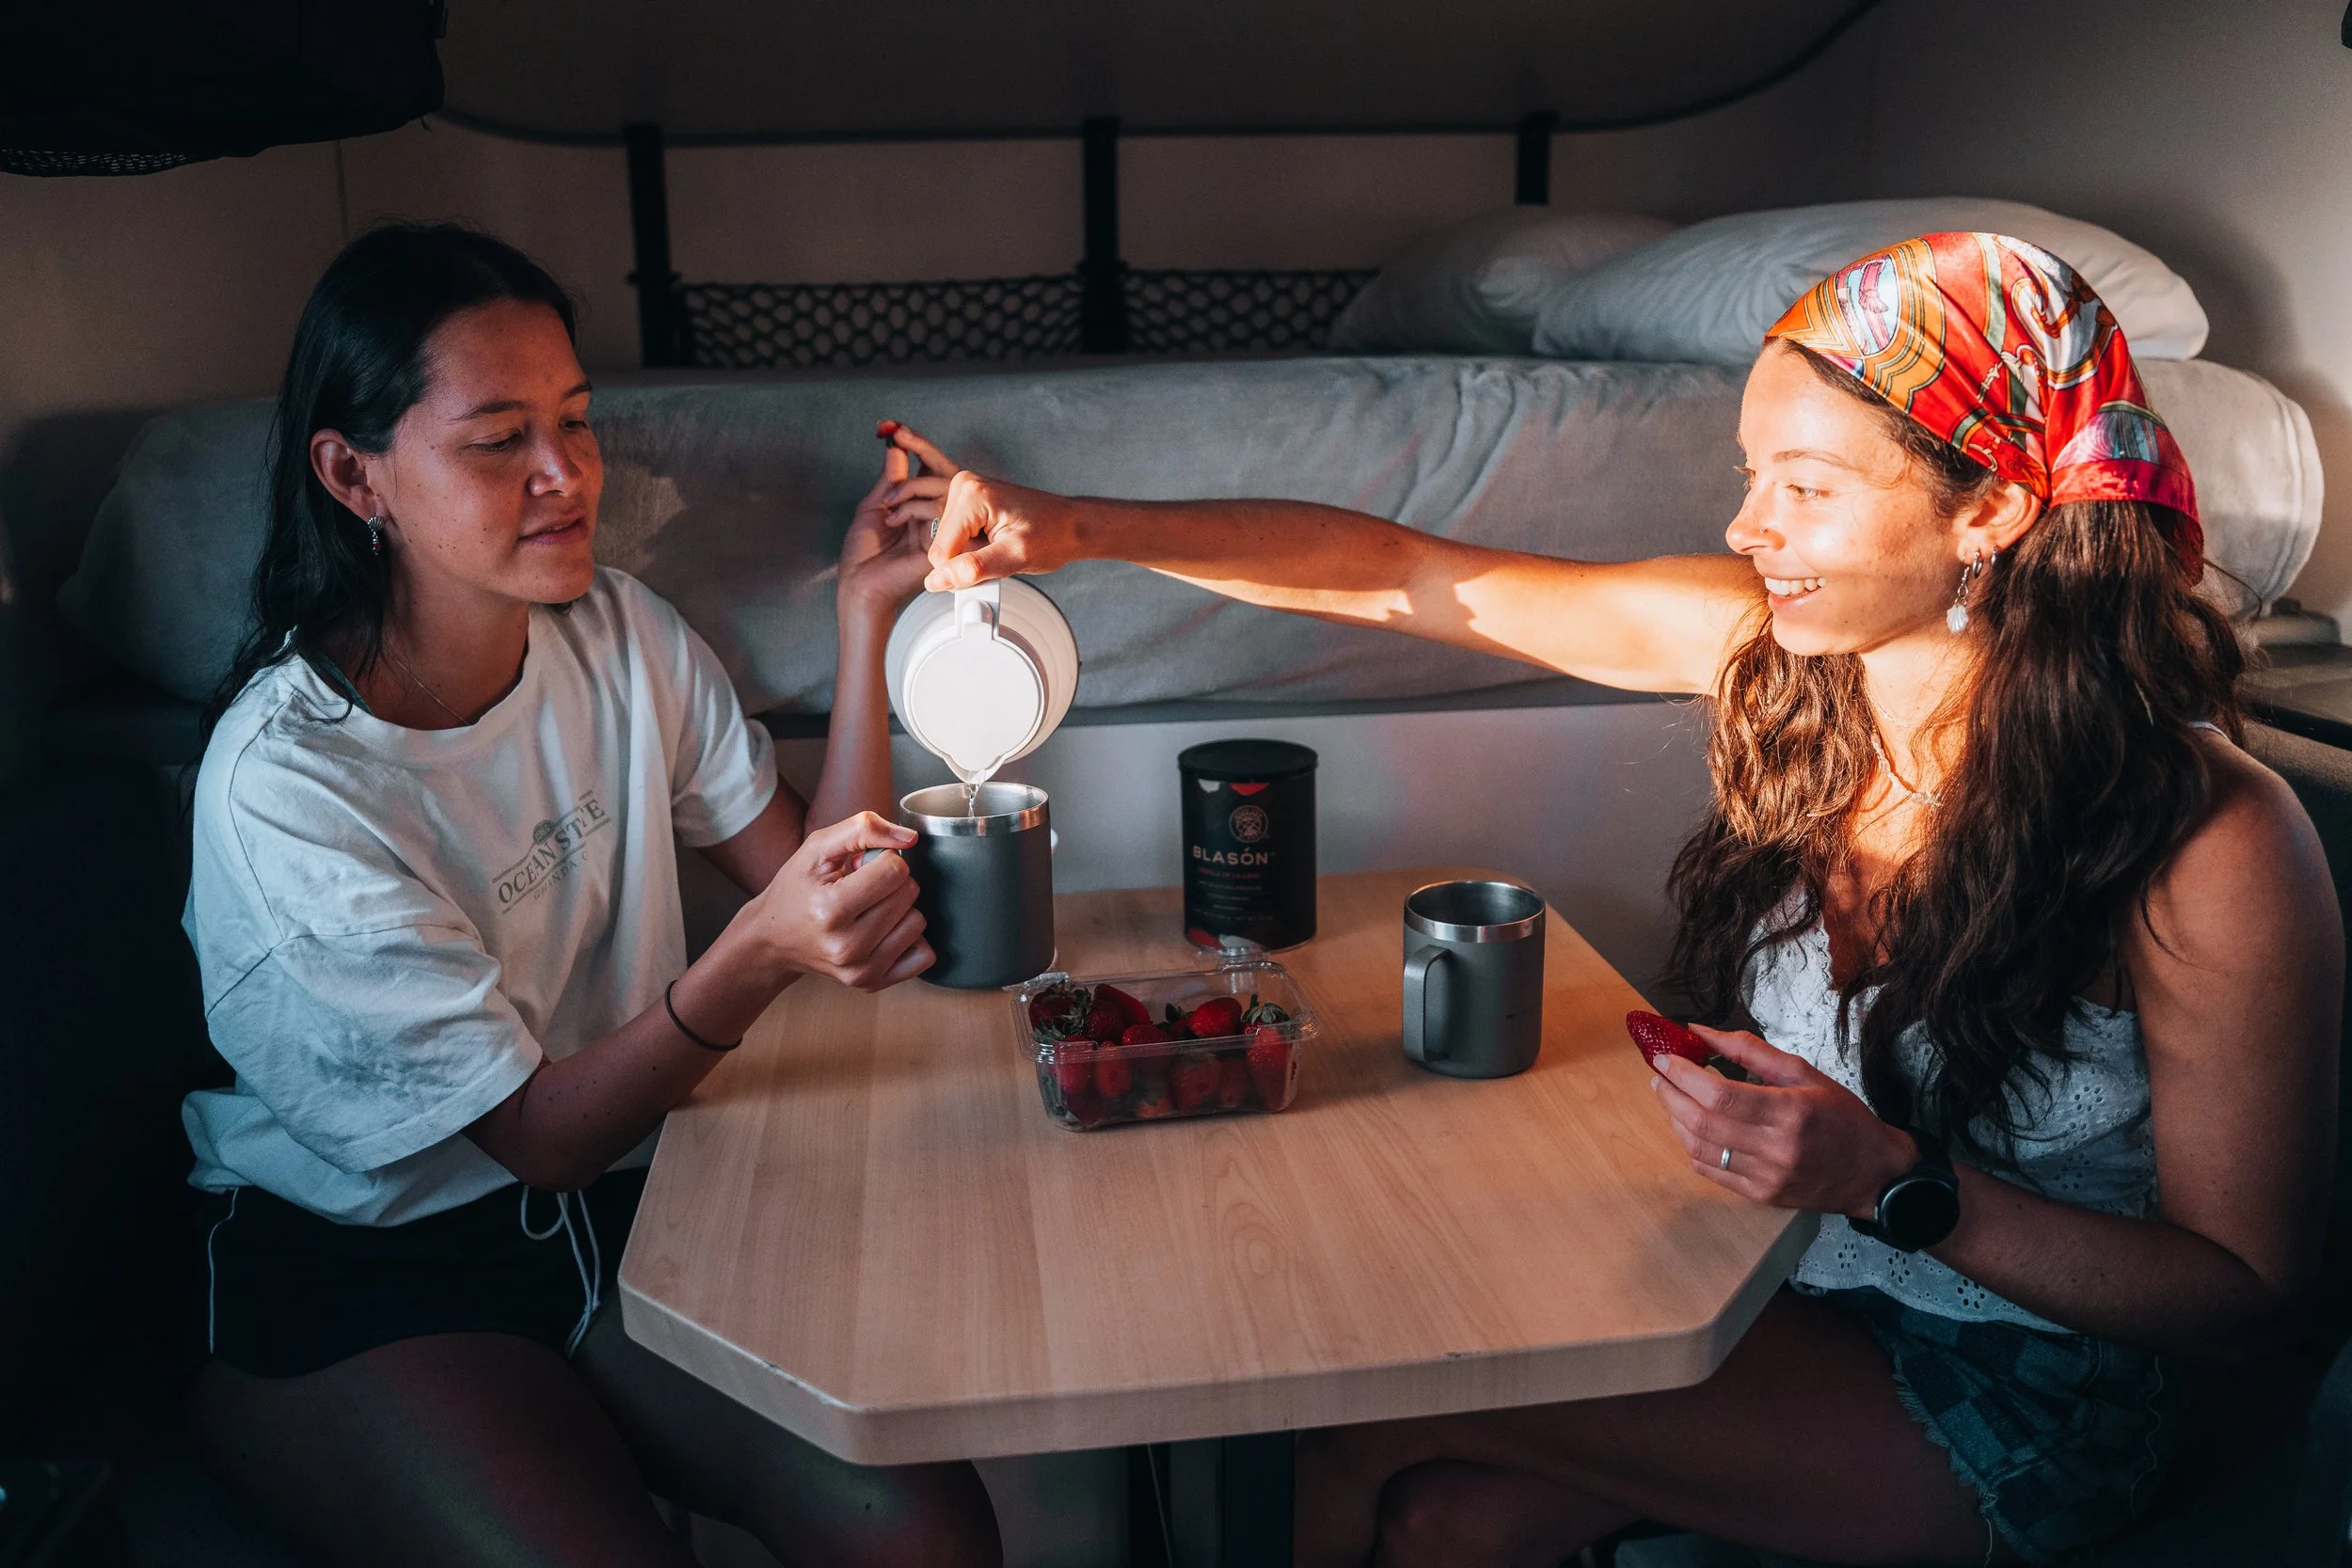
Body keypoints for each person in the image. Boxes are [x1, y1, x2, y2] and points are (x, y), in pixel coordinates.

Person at [891, 232, 2343, 1566]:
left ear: (1995, 508)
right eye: (1751, 471)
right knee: (1443, 1519)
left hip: (2041, 1385)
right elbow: (1417, 576)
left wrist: (1892, 1180)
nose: (1751, 523)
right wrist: (1069, 527)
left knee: (1364, 1405)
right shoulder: (1785, 668)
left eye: (1808, 487)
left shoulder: (2207, 837)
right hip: (1788, 1284)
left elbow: (2249, 1298)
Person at [182, 223, 1001, 1568]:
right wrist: (753, 956)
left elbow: (830, 876)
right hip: (365, 1273)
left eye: (574, 420)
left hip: (618, 1214)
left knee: (922, 1532)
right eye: (498, 439)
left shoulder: (617, 634)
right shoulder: (289, 786)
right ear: (353, 474)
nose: (566, 474)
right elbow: (536, 1135)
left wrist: (868, 617)